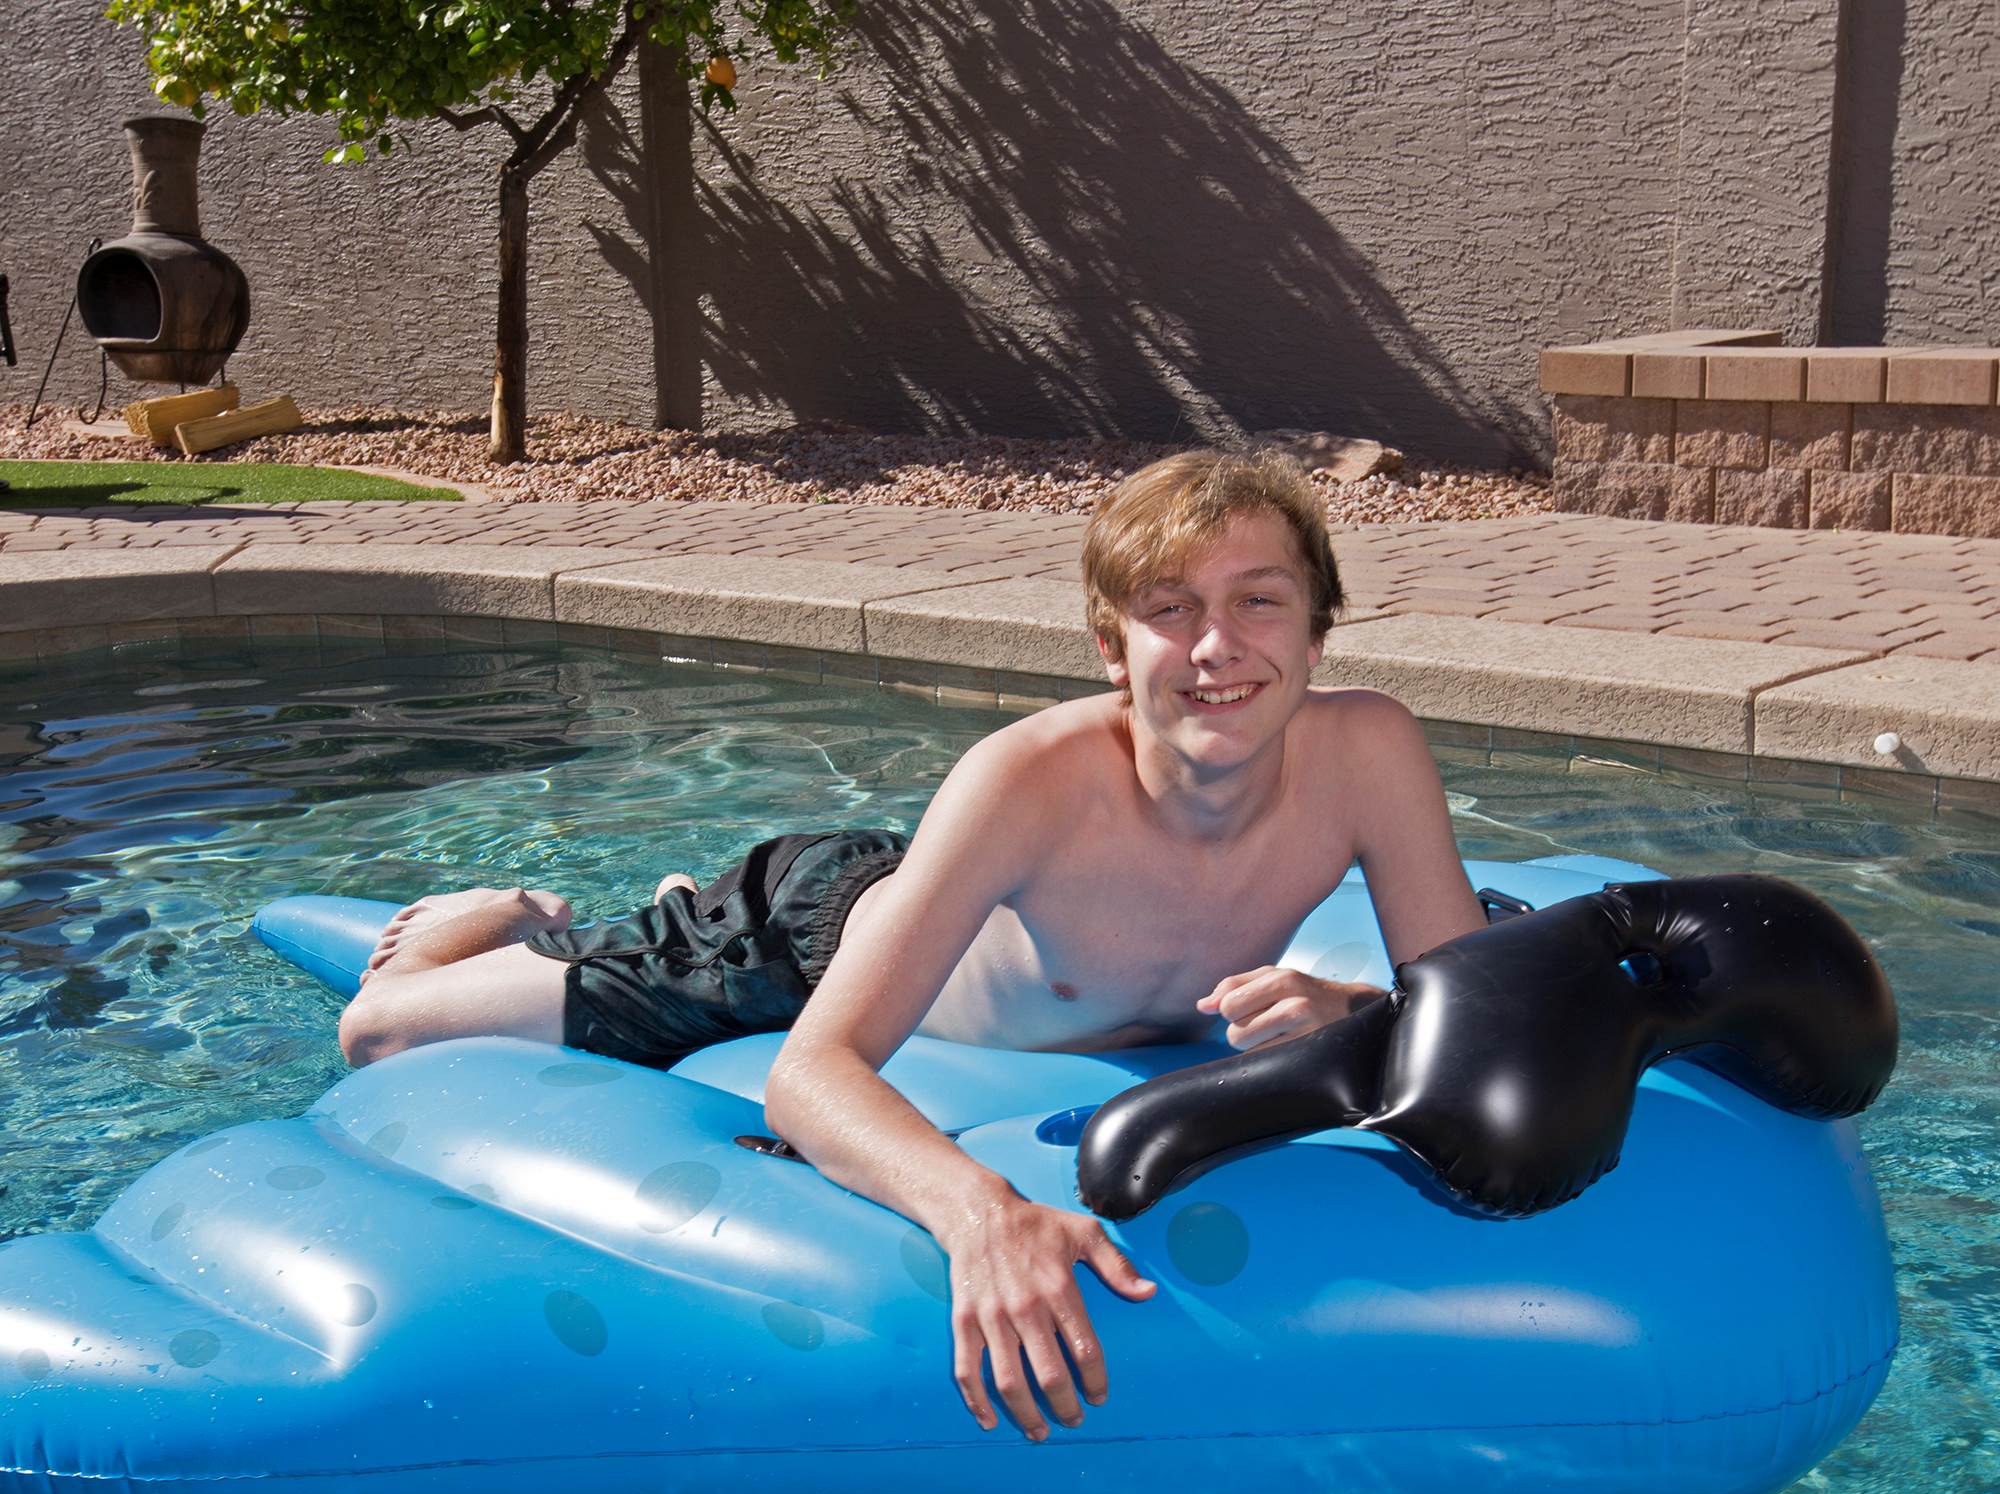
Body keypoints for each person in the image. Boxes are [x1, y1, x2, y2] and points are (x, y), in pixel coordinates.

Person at [338, 450, 1485, 1440]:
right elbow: (809, 1071)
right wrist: (979, 1212)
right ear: (1108, 646)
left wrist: (1348, 1014)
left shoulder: (1368, 753)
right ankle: (493, 917)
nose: (1215, 647)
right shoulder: (1031, 779)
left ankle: (648, 902)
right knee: (381, 1029)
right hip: (807, 934)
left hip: (962, 896)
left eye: (1258, 602)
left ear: (1319, 630)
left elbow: (1469, 1011)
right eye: (1168, 606)